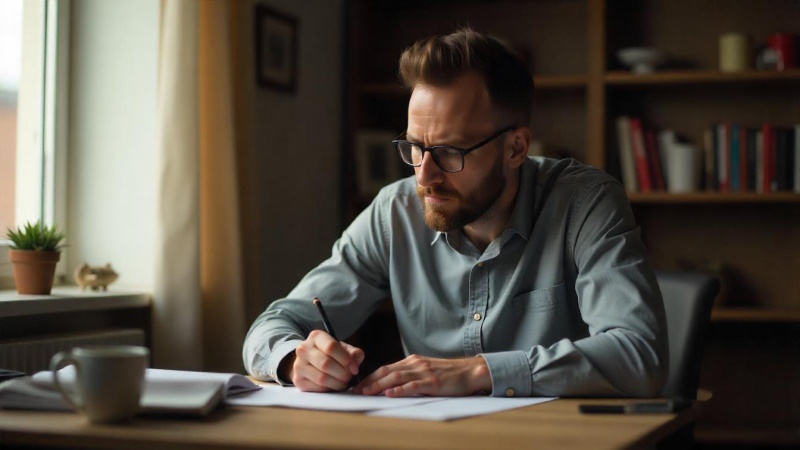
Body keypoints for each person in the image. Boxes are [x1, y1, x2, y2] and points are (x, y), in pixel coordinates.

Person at [243, 28, 668, 398]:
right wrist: (293, 360)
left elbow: (639, 354)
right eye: (414, 146)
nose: (424, 175)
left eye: (449, 152)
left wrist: (478, 372)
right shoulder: (394, 212)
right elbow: (275, 324)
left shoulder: (585, 203)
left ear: (516, 148)